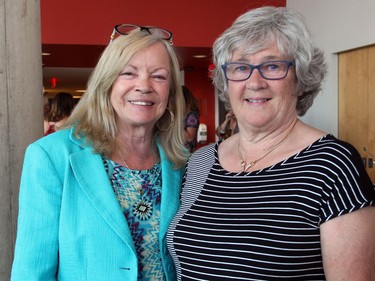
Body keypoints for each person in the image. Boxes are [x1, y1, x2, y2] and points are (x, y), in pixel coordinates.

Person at [167, 6, 375, 280]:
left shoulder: (333, 164)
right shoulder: (200, 161)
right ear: (226, 82)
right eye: (240, 67)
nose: (255, 82)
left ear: (299, 79)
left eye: (272, 66)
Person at [11, 24, 188, 281]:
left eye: (159, 76)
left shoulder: (180, 163)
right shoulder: (51, 156)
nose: (144, 86)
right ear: (106, 83)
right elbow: (31, 272)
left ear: (170, 92)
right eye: (128, 73)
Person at [182, 85, 200, 152]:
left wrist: (175, 123)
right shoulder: (182, 115)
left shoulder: (191, 115)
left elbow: (189, 137)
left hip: (187, 154)